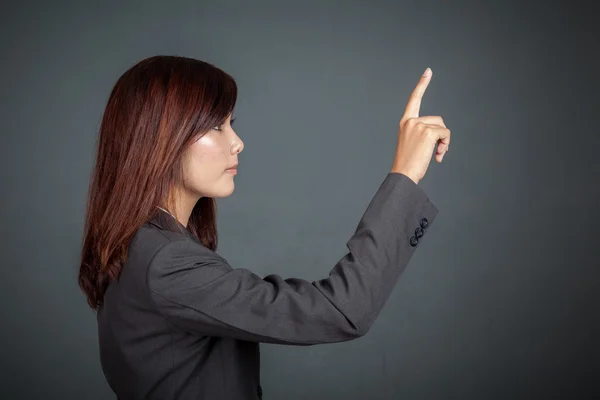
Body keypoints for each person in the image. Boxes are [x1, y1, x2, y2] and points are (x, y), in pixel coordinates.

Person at [78, 55, 451, 400]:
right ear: (159, 141)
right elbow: (342, 310)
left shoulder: (141, 247)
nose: (237, 143)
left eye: (231, 124)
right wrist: (406, 175)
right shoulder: (165, 262)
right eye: (214, 126)